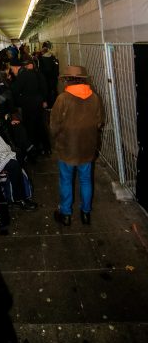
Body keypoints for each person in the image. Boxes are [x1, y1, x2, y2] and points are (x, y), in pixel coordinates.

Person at [50, 65, 104, 226]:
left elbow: (54, 125)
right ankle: (86, 213)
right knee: (86, 180)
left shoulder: (63, 99)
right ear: (83, 79)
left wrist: (56, 138)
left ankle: (66, 215)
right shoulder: (94, 97)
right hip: (87, 148)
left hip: (67, 148)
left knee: (66, 181)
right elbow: (99, 122)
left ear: (67, 80)